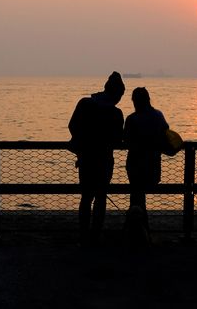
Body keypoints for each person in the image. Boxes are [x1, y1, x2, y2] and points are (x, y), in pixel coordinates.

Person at [68, 71, 125, 244]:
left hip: (86, 158)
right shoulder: (116, 114)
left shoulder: (85, 103)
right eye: (120, 96)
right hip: (105, 160)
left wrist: (83, 144)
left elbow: (72, 126)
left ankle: (84, 234)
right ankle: (95, 234)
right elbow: (117, 139)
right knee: (101, 196)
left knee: (86, 197)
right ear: (116, 94)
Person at [123, 87, 169, 233]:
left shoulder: (132, 119)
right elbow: (166, 135)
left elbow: (126, 140)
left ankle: (136, 228)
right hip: (153, 167)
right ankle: (142, 228)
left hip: (135, 167)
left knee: (136, 197)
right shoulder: (159, 116)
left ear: (135, 101)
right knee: (139, 198)